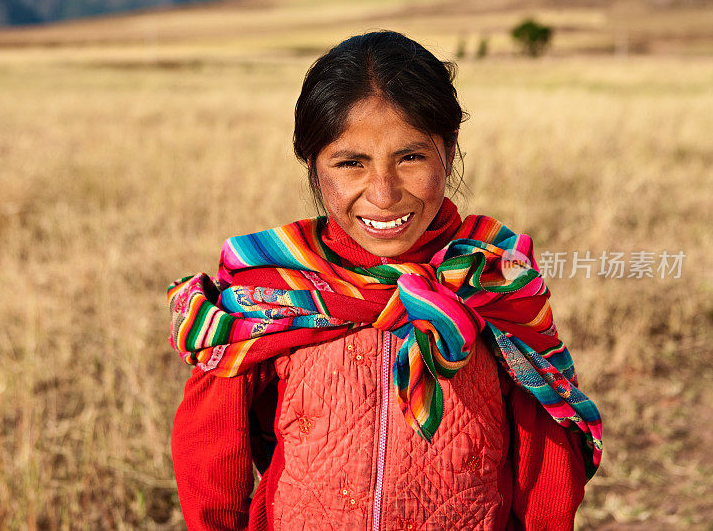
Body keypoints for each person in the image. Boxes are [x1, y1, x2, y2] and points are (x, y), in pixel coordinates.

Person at [167, 30, 603, 530]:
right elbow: (209, 448)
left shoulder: (493, 277)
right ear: (312, 164)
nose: (384, 193)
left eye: (411, 157)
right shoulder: (271, 289)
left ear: (449, 148)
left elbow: (546, 449)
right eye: (351, 163)